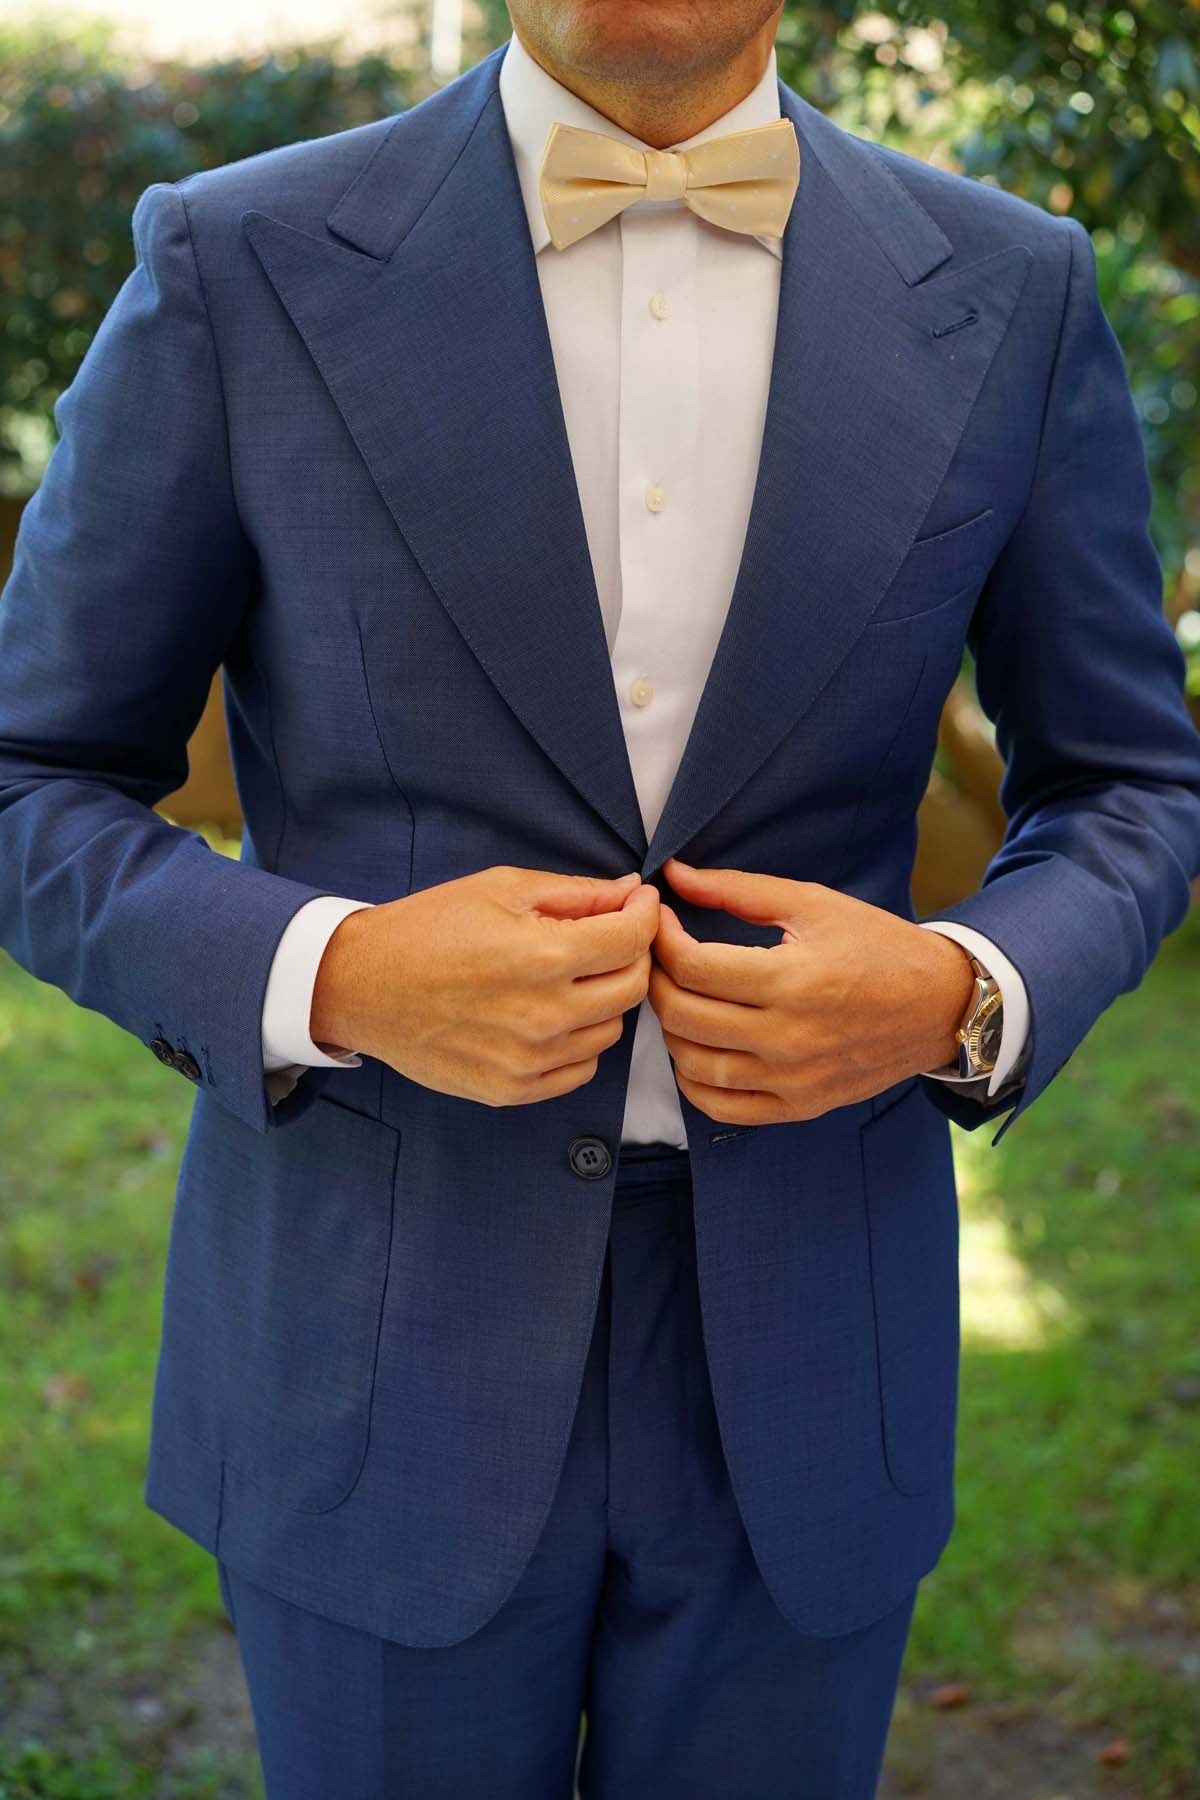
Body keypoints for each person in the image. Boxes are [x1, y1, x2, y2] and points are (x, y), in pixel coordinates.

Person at [2, 1, 1198, 1793]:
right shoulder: (237, 261)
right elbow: (34, 774)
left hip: (815, 1349)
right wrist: (332, 971)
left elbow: (1130, 782)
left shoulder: (1015, 291)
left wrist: (966, 989)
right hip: (373, 1355)